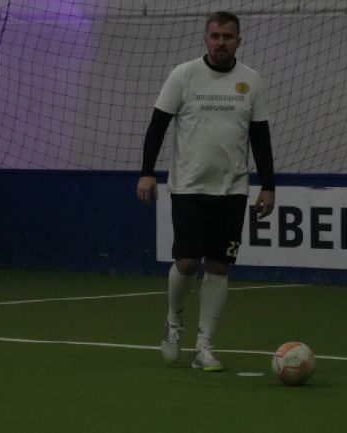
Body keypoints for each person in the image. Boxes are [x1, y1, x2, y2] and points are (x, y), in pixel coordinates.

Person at [136, 11, 276, 372]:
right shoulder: (183, 75)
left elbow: (260, 136)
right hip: (189, 186)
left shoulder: (251, 80)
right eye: (215, 36)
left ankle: (204, 346)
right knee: (186, 262)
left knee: (218, 266)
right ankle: (173, 322)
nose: (221, 42)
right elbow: (157, 125)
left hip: (233, 189)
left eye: (228, 36)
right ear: (205, 39)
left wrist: (268, 186)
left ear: (238, 41)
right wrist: (146, 173)